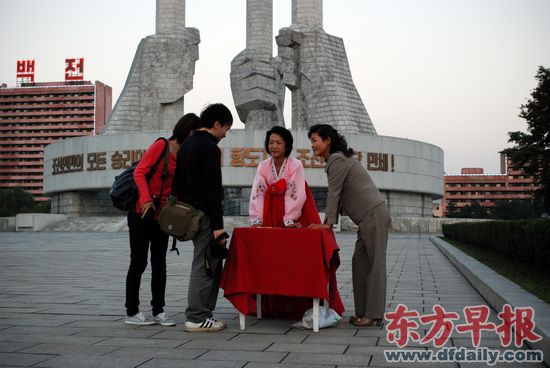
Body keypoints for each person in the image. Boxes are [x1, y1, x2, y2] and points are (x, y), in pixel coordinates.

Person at [308, 124, 390, 327]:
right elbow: (342, 194)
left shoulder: (337, 159)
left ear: (327, 141)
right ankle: (363, 313)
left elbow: (334, 193)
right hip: (366, 218)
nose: (312, 145)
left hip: (373, 214)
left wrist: (327, 224)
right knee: (359, 263)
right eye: (311, 141)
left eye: (315, 140)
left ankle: (374, 314)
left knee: (375, 265)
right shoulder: (337, 160)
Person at [125, 113, 201, 326]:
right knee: (138, 262)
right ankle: (132, 312)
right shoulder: (161, 145)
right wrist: (147, 199)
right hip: (141, 213)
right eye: (196, 133)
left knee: (160, 265)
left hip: (162, 217)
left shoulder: (185, 154)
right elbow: (139, 172)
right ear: (188, 131)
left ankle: (158, 311)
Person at [173, 103, 233, 332]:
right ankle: (197, 317)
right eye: (226, 128)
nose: (225, 134)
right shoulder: (209, 148)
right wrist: (218, 226)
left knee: (206, 262)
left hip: (190, 214)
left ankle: (204, 313)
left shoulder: (187, 143)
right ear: (216, 124)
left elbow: (178, 183)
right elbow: (213, 190)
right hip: (205, 216)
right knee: (204, 264)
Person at [249, 126, 320, 228]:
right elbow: (258, 193)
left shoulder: (295, 165)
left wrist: (289, 220)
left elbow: (295, 192)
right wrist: (257, 220)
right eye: (271, 142)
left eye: (278, 143)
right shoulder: (263, 166)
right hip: (270, 210)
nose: (274, 146)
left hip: (294, 212)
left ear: (286, 145)